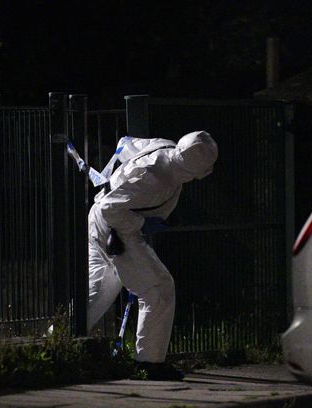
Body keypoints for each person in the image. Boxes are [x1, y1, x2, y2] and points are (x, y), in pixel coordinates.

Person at [86, 131, 218, 380]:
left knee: (103, 287)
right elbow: (111, 210)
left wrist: (117, 180)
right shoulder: (157, 180)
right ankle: (149, 363)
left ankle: (55, 340)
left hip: (99, 222)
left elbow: (124, 145)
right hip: (116, 229)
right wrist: (141, 222)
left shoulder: (163, 146)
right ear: (196, 173)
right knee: (158, 288)